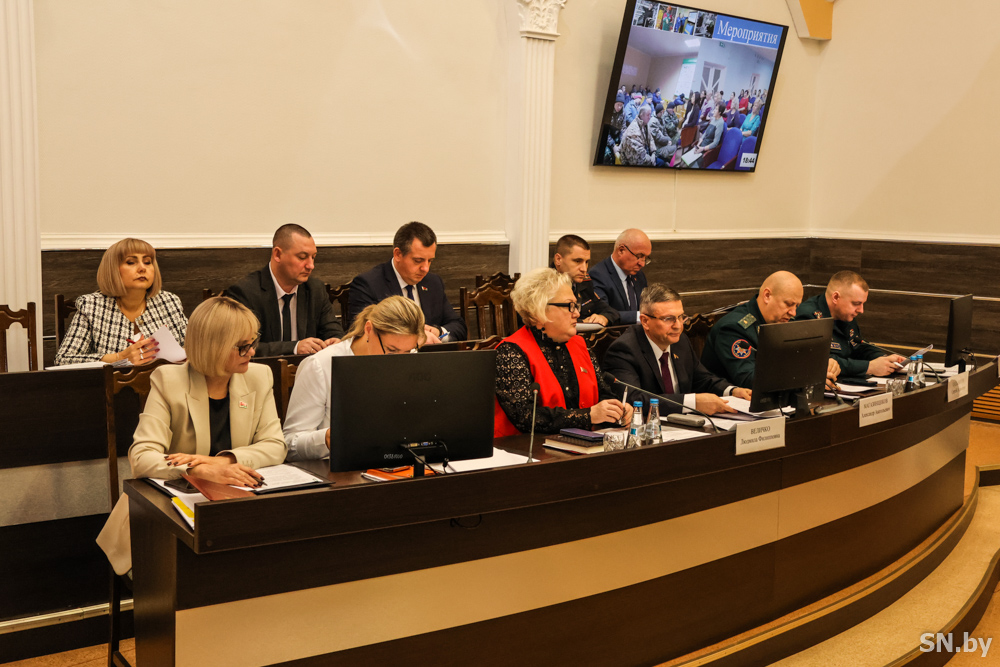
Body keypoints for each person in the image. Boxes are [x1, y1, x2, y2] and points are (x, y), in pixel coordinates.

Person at [97, 297, 287, 575]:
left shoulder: (259, 376)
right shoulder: (169, 380)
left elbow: (275, 445)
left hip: (235, 502)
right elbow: (142, 457)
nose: (252, 352)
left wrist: (222, 462)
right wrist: (197, 469)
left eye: (252, 342)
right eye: (242, 347)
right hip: (171, 510)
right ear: (213, 347)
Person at [283, 296, 425, 461]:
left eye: (408, 352)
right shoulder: (321, 365)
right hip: (337, 468)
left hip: (397, 463)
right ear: (368, 329)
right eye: (391, 350)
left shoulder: (411, 361)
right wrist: (327, 438)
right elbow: (291, 445)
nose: (399, 362)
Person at [494, 268, 632, 437]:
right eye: (570, 306)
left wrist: (616, 410)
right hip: (527, 448)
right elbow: (525, 416)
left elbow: (603, 392)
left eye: (576, 305)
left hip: (583, 444)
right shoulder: (510, 351)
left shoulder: (580, 344)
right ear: (540, 310)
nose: (577, 313)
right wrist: (588, 416)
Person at [604, 284, 751, 416]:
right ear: (645, 321)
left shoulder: (680, 341)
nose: (678, 326)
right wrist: (693, 403)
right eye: (668, 319)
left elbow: (703, 379)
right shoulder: (624, 350)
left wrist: (732, 390)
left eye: (681, 317)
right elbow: (634, 399)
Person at [55, 237, 187, 366]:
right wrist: (119, 357)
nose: (142, 268)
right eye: (131, 262)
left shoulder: (169, 302)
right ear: (113, 270)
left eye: (147, 262)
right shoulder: (92, 306)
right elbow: (64, 360)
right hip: (113, 381)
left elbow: (194, 347)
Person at [228, 224, 344, 357]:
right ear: (277, 254)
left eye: (313, 257)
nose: (311, 265)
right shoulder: (246, 292)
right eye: (302, 257)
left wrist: (336, 341)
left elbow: (334, 331)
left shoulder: (315, 289)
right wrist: (294, 347)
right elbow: (241, 348)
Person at [348, 221, 466, 344]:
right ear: (398, 254)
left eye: (430, 261)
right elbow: (363, 334)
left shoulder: (433, 283)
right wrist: (416, 337)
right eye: (418, 260)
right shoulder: (368, 284)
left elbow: (458, 326)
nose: (425, 268)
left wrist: (438, 331)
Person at [702, 271, 815, 388]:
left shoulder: (782, 322)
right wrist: (801, 375)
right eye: (788, 304)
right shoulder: (734, 328)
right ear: (767, 295)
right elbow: (750, 380)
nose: (793, 313)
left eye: (796, 306)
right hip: (731, 397)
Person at [796, 271, 907, 377]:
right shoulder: (808, 316)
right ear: (835, 297)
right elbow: (819, 360)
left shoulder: (845, 314)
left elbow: (858, 346)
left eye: (862, 304)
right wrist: (868, 367)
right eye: (856, 303)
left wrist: (885, 359)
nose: (861, 310)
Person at [551, 235, 620, 327]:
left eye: (586, 262)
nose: (584, 269)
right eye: (577, 261)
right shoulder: (546, 286)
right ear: (558, 259)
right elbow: (552, 321)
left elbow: (610, 311)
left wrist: (603, 318)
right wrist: (582, 323)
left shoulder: (584, 282)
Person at [588, 228, 652, 325]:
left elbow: (646, 306)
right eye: (639, 256)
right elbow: (604, 314)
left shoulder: (639, 275)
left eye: (645, 258)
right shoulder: (598, 275)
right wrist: (641, 316)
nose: (642, 264)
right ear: (621, 250)